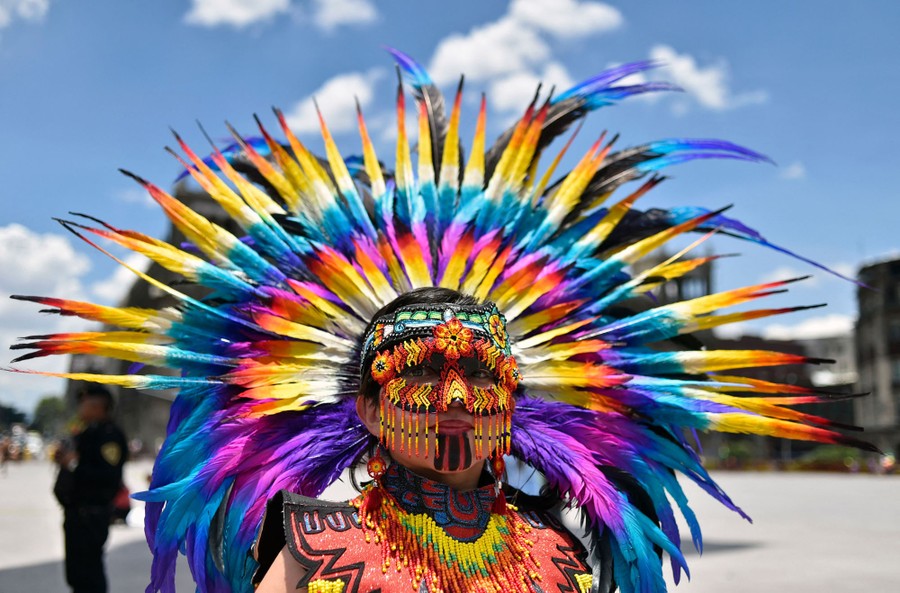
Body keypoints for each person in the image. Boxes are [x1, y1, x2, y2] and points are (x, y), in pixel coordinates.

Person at [12, 49, 875, 593]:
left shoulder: (558, 554)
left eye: (483, 373)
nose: (456, 393)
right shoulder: (318, 542)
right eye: (418, 370)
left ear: (519, 400)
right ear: (362, 404)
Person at [53, 386, 128, 593]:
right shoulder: (87, 431)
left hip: (91, 516)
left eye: (85, 403)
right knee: (76, 575)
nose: (81, 407)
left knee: (90, 576)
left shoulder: (109, 436)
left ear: (98, 407)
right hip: (76, 514)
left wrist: (74, 465)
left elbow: (108, 476)